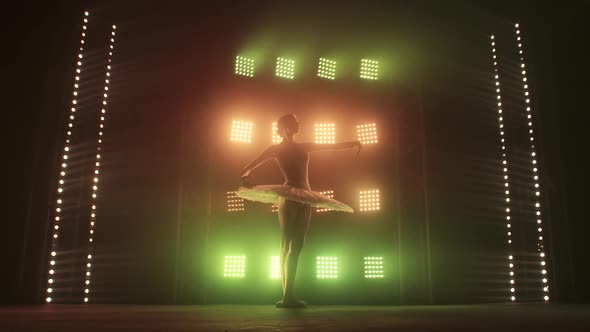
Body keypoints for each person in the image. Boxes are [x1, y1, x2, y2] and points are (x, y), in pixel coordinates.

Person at [237, 114, 361, 308]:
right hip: (289, 195)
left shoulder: (303, 147)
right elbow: (246, 169)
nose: (298, 125)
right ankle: (286, 296)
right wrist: (245, 179)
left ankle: (289, 295)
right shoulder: (275, 149)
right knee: (286, 245)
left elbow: (331, 145)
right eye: (294, 123)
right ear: (286, 127)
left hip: (305, 196)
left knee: (297, 246)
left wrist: (352, 142)